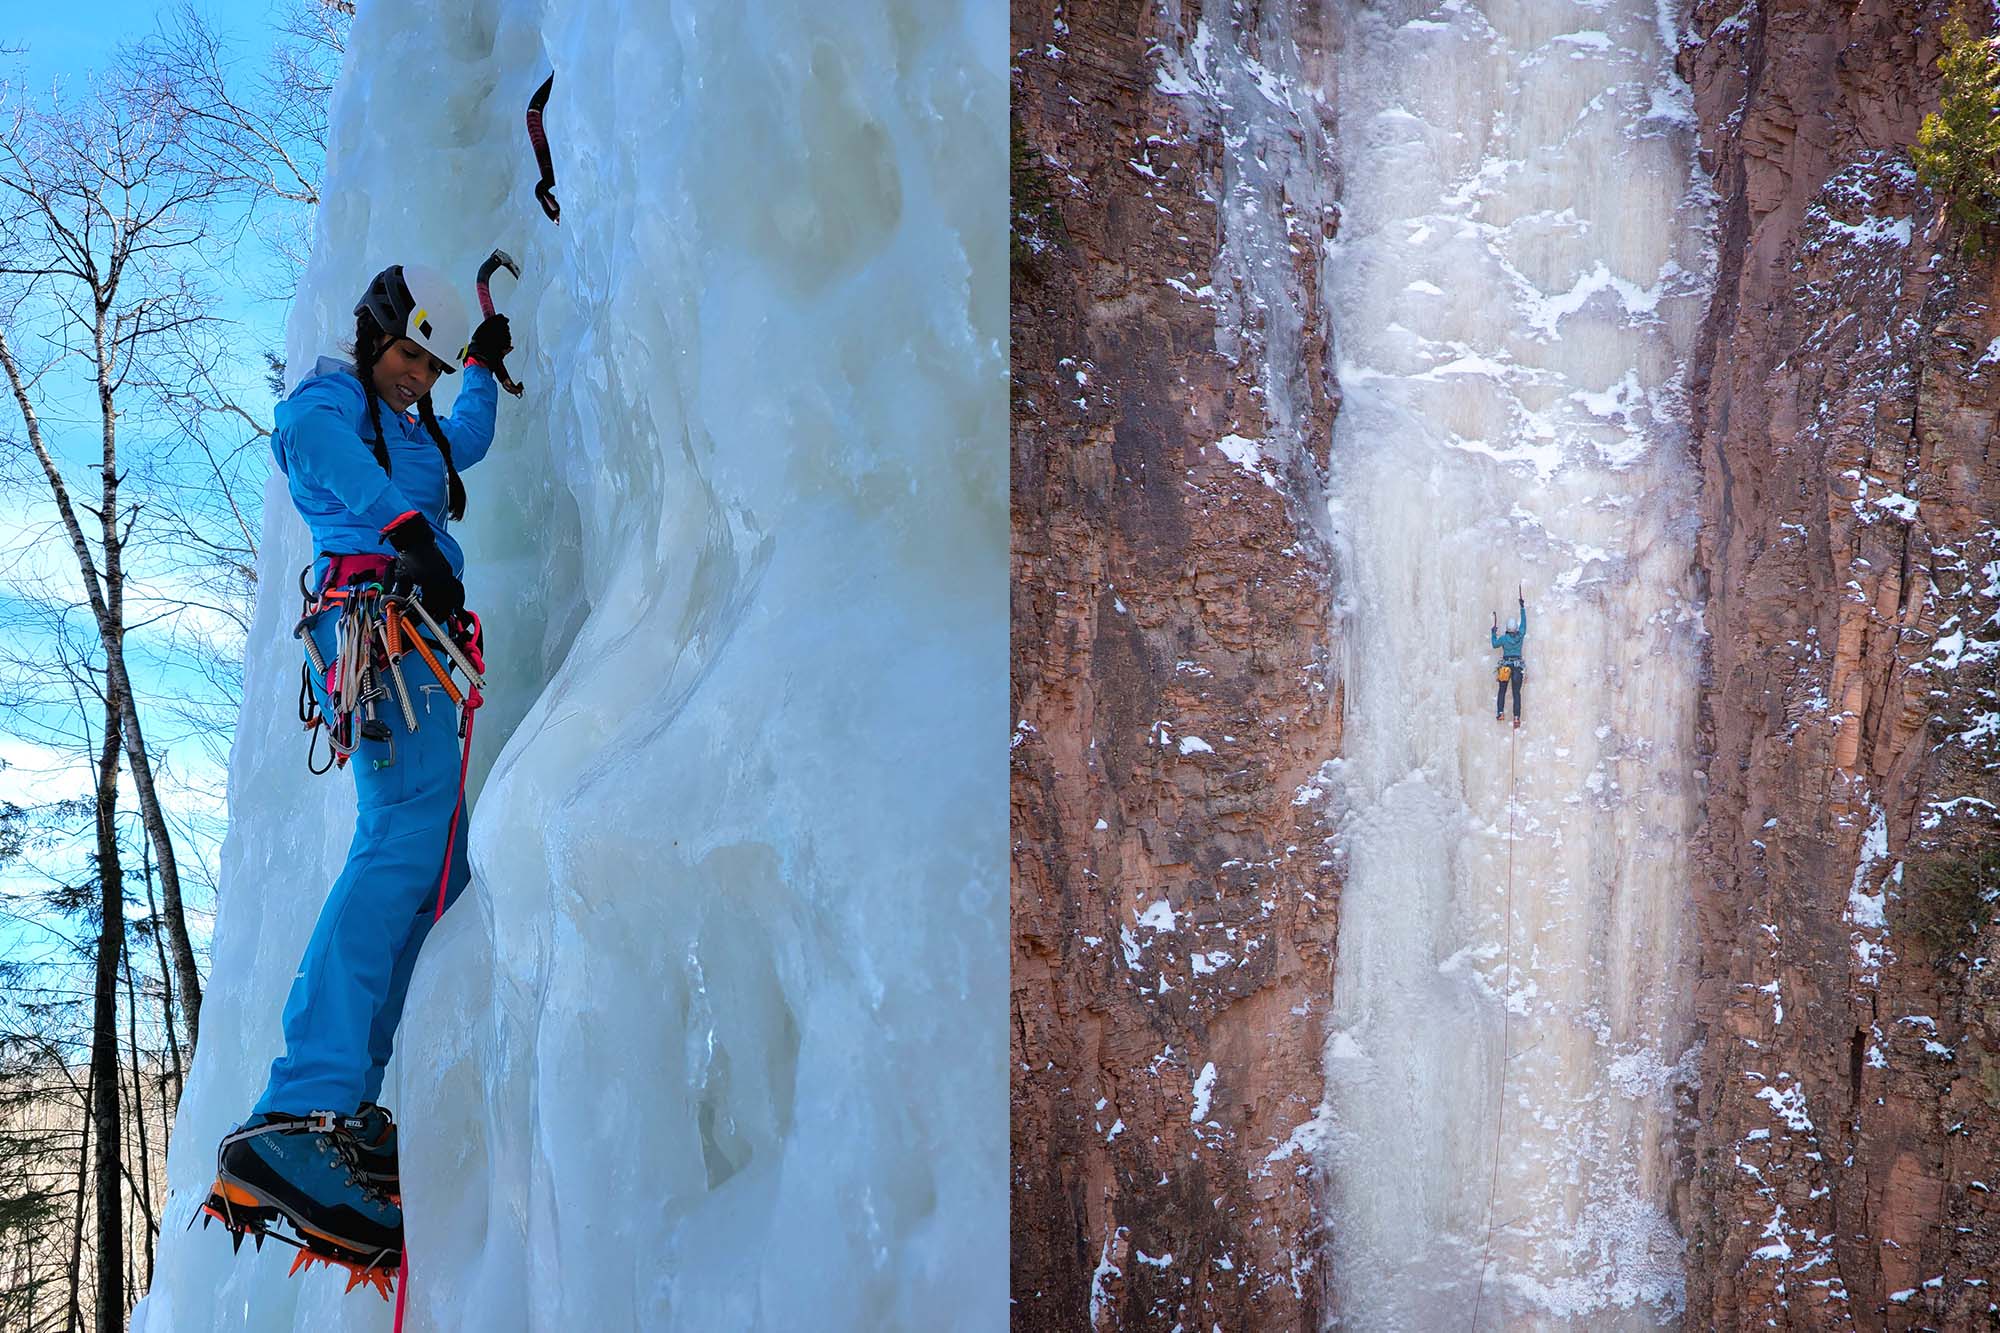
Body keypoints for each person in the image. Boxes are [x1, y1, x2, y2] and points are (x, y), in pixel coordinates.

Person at [204, 263, 512, 1280]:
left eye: (428, 365)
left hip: (415, 639)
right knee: (400, 847)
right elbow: (305, 441)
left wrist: (479, 368)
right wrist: (404, 529)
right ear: (375, 335)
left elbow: (462, 443)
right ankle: (299, 1101)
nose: (415, 378)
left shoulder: (419, 422)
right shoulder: (336, 396)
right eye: (410, 356)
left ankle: (343, 1106)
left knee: (434, 874)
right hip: (378, 630)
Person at [1493, 595, 1526, 727]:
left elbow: (1494, 644)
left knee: (1502, 690)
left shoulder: (1503, 639)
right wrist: (1522, 607)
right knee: (1516, 693)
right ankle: (1516, 718)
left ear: (1507, 629)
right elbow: (1524, 623)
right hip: (1517, 666)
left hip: (1505, 667)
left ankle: (1500, 713)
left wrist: (1492, 633)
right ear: (1516, 629)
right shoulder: (1521, 635)